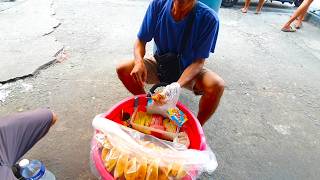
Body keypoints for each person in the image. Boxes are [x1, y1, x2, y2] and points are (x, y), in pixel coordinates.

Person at [116, 0, 224, 126]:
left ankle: (196, 126)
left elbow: (198, 63)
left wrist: (176, 86)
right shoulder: (157, 5)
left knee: (216, 86)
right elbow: (141, 40)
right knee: (123, 69)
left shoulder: (209, 18)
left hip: (188, 69)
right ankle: (150, 104)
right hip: (161, 63)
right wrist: (138, 62)